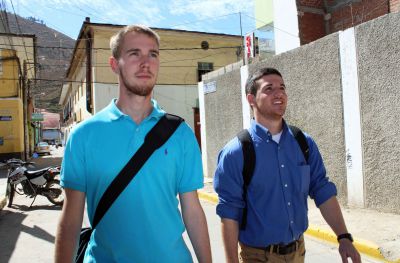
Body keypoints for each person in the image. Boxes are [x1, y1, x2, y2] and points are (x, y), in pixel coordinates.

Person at [55, 25, 212, 263]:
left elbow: (192, 210)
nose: (145, 62)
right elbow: (70, 220)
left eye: (153, 54)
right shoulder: (83, 135)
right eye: (134, 53)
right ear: (114, 64)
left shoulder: (181, 134)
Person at [213, 67, 361, 263]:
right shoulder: (236, 153)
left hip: (298, 253)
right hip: (258, 257)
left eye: (282, 87)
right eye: (269, 89)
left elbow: (322, 190)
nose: (279, 93)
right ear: (251, 99)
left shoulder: (304, 143)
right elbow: (229, 213)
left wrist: (343, 237)